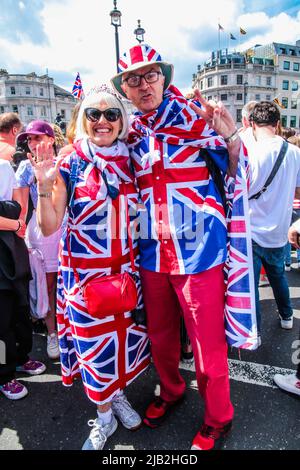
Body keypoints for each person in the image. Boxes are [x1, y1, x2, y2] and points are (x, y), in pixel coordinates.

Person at [111, 43, 257, 450]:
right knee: (160, 337)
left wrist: (230, 136)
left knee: (207, 344)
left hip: (199, 252)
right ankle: (172, 392)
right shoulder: (131, 131)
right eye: (133, 79)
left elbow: (237, 172)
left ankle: (219, 417)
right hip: (153, 251)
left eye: (150, 75)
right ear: (126, 87)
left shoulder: (197, 117)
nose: (144, 85)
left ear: (164, 77)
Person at [30, 87, 150, 450]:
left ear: (121, 120)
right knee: (95, 348)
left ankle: (119, 396)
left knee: (124, 343)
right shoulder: (71, 162)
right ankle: (103, 416)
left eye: (111, 114)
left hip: (127, 275)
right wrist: (43, 185)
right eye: (94, 115)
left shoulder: (132, 159)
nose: (102, 122)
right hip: (85, 279)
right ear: (83, 120)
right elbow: (49, 226)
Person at [247, 102, 300, 335]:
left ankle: (254, 331)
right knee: (279, 277)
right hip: (279, 230)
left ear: (251, 124)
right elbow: (298, 190)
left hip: (251, 231)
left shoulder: (249, 152)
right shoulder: (295, 153)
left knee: (252, 287)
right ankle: (287, 316)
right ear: (277, 124)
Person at [16, 121, 62, 360]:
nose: (33, 143)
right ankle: (52, 333)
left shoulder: (66, 161)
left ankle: (71, 332)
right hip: (41, 232)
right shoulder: (25, 166)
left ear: (51, 139)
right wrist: (20, 234)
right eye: (29, 139)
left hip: (67, 229)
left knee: (66, 285)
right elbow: (21, 207)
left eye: (37, 137)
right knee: (47, 286)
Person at [0, 159, 46, 400]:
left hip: (13, 254)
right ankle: (4, 375)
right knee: (1, 323)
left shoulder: (5, 166)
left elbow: (20, 205)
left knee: (19, 313)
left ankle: (20, 359)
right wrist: (16, 222)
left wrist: (16, 220)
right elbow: (17, 216)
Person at [274, 218, 300, 396]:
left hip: (259, 233)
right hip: (276, 234)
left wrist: (297, 226)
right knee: (278, 276)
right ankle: (286, 316)